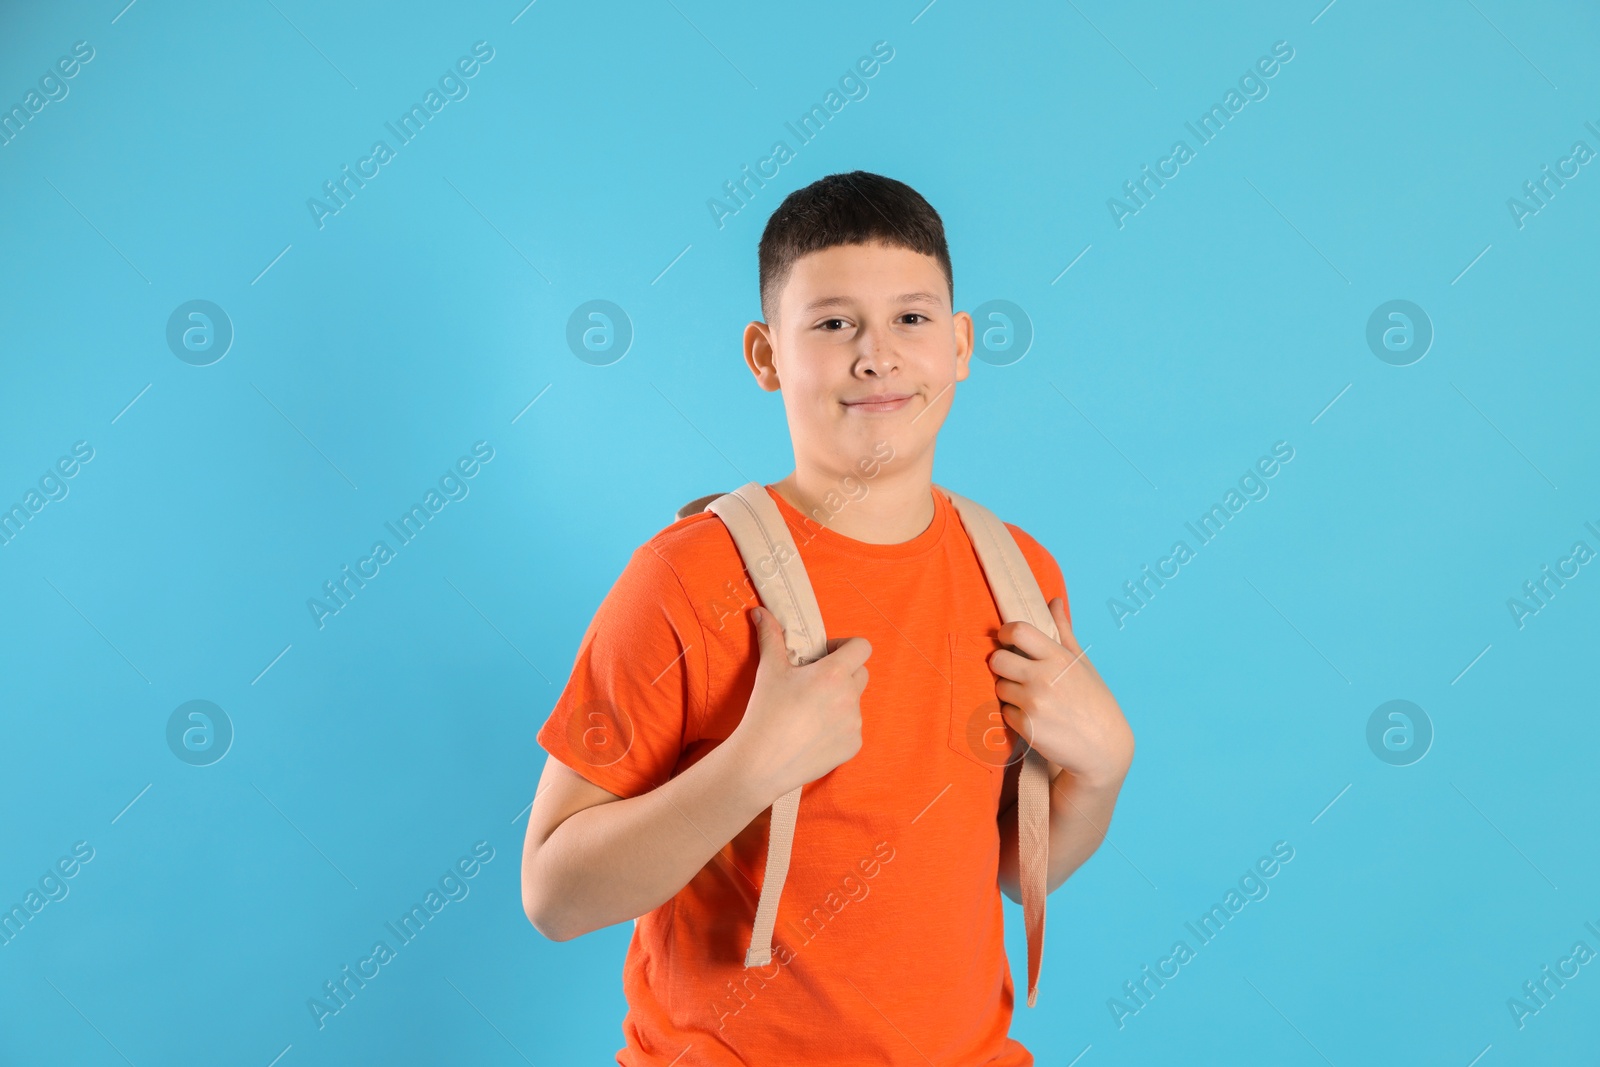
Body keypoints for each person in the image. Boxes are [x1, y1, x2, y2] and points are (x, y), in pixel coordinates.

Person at [520, 170, 1135, 1065]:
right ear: (766, 355)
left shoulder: (1018, 573)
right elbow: (554, 893)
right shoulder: (685, 579)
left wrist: (1106, 768)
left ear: (961, 344)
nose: (877, 355)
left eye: (913, 319)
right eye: (833, 322)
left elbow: (1009, 864)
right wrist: (749, 770)